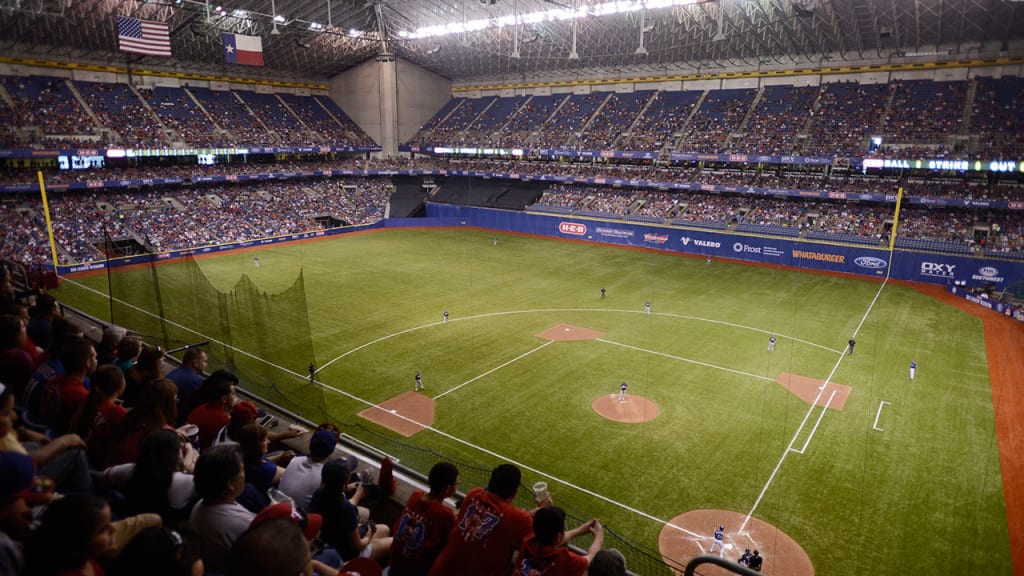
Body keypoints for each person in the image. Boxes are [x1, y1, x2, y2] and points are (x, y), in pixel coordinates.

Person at [429, 463, 546, 576]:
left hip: (439, 570)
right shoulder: (519, 519)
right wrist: (545, 511)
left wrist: (531, 513)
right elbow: (545, 543)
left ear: (490, 482)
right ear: (514, 492)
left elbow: (500, 517)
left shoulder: (473, 494)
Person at [103, 428, 198, 524]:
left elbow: (101, 476)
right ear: (175, 455)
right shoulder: (186, 481)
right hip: (164, 534)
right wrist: (190, 454)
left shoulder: (129, 470)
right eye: (179, 450)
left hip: (133, 525)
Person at [310, 458, 392, 565]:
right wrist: (369, 535)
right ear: (346, 479)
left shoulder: (318, 494)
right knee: (389, 540)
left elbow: (333, 498)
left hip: (327, 541)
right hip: (344, 555)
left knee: (384, 529)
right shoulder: (346, 509)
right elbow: (357, 546)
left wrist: (345, 488)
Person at [190, 444, 254, 574]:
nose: (244, 474)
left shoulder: (200, 505)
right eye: (242, 470)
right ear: (230, 484)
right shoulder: (243, 523)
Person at [390, 462, 459, 576]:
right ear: (447, 488)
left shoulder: (415, 495)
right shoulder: (445, 514)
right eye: (456, 483)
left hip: (395, 564)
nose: (457, 486)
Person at [23, 493, 117, 576]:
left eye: (110, 522)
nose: (114, 529)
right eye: (103, 530)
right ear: (77, 542)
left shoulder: (88, 559)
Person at [512, 507, 604, 576]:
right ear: (558, 536)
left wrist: (579, 530)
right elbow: (590, 558)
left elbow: (551, 540)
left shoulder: (528, 541)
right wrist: (599, 536)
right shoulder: (563, 559)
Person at [70, 364, 128, 468]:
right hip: (93, 467)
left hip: (79, 455)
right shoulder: (117, 412)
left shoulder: (89, 398)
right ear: (119, 388)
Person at [279, 428, 350, 510]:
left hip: (276, 508)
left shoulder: (295, 460)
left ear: (310, 446)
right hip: (297, 518)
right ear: (332, 452)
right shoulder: (325, 476)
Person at [38, 337, 97, 435]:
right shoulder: (83, 396)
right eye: (95, 357)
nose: (96, 361)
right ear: (88, 363)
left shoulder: (52, 381)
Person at [186, 370, 238, 449]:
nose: (235, 397)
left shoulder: (200, 408)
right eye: (233, 394)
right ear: (224, 399)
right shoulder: (223, 420)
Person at [238, 422, 294, 493]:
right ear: (256, 445)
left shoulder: (241, 458)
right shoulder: (267, 470)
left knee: (279, 453)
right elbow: (292, 474)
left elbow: (262, 461)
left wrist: (280, 457)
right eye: (264, 440)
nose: (268, 441)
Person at [166, 348, 208, 425]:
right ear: (195, 363)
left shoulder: (174, 372)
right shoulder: (198, 381)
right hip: (178, 422)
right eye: (204, 362)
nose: (206, 365)